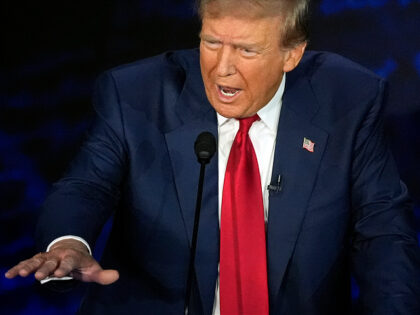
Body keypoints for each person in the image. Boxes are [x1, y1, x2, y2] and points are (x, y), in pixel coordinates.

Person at [5, 0, 420, 314]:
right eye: (211, 42)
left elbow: (382, 231)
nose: (222, 69)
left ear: (292, 53)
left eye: (246, 51)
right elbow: (86, 185)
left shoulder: (348, 100)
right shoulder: (136, 95)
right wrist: (69, 242)